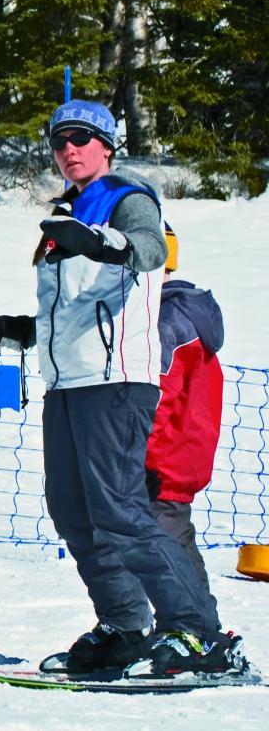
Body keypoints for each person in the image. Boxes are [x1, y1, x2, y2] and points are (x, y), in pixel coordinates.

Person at [0, 100, 238, 678]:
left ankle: (198, 634)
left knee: (122, 511)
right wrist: (4, 330)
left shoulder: (128, 198)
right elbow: (73, 313)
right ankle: (124, 626)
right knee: (72, 510)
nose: (68, 150)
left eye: (81, 138)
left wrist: (103, 242)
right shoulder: (65, 215)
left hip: (117, 380)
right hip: (69, 382)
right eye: (59, 141)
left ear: (106, 146)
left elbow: (148, 251)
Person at [147, 224, 225, 628]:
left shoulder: (164, 323)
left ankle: (195, 628)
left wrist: (138, 456)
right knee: (170, 537)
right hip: (181, 454)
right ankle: (193, 624)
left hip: (164, 460)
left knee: (163, 542)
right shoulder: (177, 315)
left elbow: (156, 399)